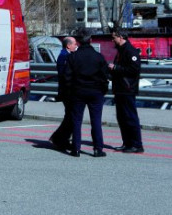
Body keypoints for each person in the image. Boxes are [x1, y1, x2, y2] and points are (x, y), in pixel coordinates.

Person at [64, 28, 110, 158]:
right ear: (91, 40)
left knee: (76, 120)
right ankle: (98, 149)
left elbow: (67, 77)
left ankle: (76, 149)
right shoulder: (98, 57)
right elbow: (105, 76)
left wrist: (70, 91)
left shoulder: (72, 57)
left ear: (78, 42)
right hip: (95, 91)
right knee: (96, 120)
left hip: (78, 91)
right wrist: (103, 90)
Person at [108, 29, 144, 153]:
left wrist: (116, 68)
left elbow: (134, 69)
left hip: (128, 89)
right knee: (122, 117)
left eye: (114, 38)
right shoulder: (121, 51)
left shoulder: (130, 51)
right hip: (120, 89)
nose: (112, 40)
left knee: (130, 117)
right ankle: (127, 143)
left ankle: (137, 144)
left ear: (121, 37)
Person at [49, 36, 77, 151]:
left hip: (67, 91)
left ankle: (61, 138)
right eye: (74, 44)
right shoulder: (65, 56)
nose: (76, 46)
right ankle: (59, 138)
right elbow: (66, 75)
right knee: (71, 116)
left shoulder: (66, 55)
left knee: (70, 116)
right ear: (68, 45)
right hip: (67, 92)